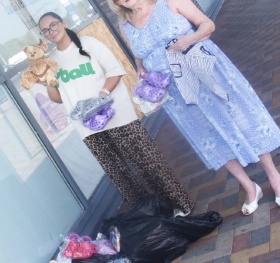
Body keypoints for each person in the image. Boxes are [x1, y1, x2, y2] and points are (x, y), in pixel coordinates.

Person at [104, 0, 280, 216]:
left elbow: (207, 25)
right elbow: (140, 56)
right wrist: (141, 71)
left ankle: (275, 177)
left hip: (204, 73)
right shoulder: (125, 26)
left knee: (240, 119)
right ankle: (249, 186)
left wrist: (189, 39)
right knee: (209, 135)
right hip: (175, 93)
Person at [38, 12, 194, 216]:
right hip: (89, 128)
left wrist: (101, 96)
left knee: (148, 162)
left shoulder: (88, 43)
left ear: (63, 23)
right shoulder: (51, 62)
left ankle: (181, 204)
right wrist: (46, 82)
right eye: (45, 30)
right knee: (120, 176)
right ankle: (149, 218)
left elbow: (115, 71)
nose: (51, 31)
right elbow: (59, 98)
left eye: (54, 24)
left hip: (116, 115)